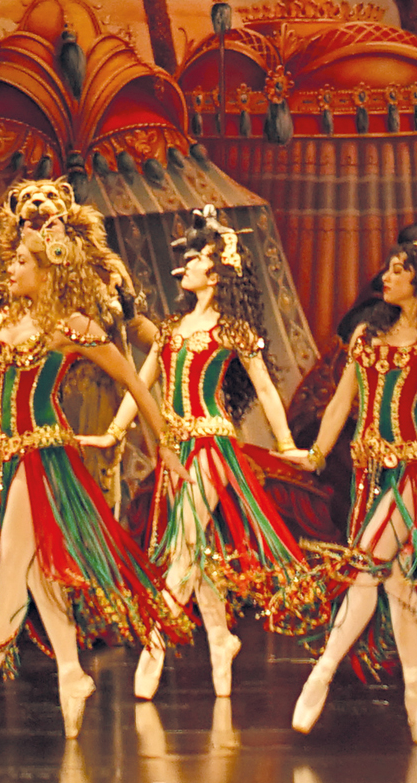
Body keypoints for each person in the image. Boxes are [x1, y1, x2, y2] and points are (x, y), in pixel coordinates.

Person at [0, 215, 185, 745]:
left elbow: (133, 380)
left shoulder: (72, 327)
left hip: (46, 457)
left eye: (20, 262)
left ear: (47, 269)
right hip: (8, 459)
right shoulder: (1, 323)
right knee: (36, 575)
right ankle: (72, 673)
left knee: (13, 562)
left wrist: (165, 443)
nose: (10, 269)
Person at [86, 208, 322, 701]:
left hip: (212, 445)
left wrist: (285, 445)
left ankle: (155, 646)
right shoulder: (172, 328)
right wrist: (113, 433)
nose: (185, 265)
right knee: (192, 547)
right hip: (174, 448)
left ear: (216, 272)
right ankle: (220, 637)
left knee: (184, 545)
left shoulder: (233, 331)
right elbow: (141, 385)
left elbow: (265, 388)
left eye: (195, 259)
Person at [284, 237, 417, 744]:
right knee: (397, 580)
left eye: (400, 269)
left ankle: (322, 672)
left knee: (365, 567)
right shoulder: (366, 334)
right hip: (367, 472)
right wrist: (316, 455)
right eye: (387, 268)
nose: (387, 276)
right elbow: (340, 403)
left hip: (414, 469)